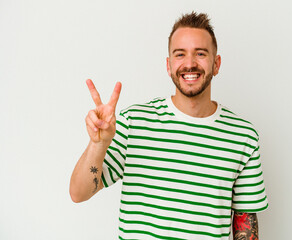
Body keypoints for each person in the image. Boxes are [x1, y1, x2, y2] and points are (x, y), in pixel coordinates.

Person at [70, 11, 268, 240]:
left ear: (216, 64)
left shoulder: (243, 136)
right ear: (169, 65)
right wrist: (99, 144)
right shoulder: (134, 122)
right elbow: (78, 193)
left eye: (200, 53)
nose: (190, 64)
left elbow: (245, 226)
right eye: (180, 54)